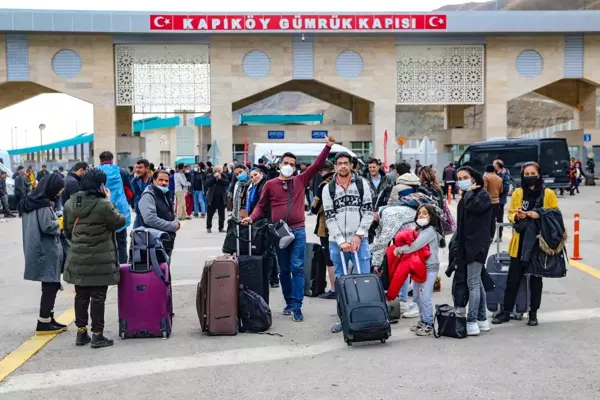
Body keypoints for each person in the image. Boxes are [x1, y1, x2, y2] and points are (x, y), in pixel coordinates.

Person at [242, 136, 335, 322]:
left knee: (297, 267)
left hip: (298, 230)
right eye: (286, 162)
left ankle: (298, 306)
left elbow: (316, 165)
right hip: (279, 232)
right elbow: (261, 206)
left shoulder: (300, 180)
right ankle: (289, 302)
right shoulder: (270, 184)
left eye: (292, 164)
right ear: (279, 164)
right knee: (283, 270)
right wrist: (251, 218)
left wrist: (327, 147)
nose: (289, 166)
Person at [63, 168, 127, 348]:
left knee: (81, 295)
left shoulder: (70, 203)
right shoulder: (103, 204)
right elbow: (119, 221)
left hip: (78, 258)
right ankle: (97, 335)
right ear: (101, 184)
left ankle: (81, 333)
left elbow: (68, 231)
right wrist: (108, 200)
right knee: (98, 297)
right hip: (100, 260)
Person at [492, 162, 559, 327]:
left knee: (536, 281)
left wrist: (538, 214)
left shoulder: (548, 193)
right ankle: (506, 312)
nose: (530, 177)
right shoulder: (518, 193)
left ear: (539, 174)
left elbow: (555, 214)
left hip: (538, 243)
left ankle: (533, 314)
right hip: (520, 243)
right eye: (527, 174)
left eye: (532, 173)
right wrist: (517, 216)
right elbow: (510, 214)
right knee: (513, 280)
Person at [323, 152, 374, 332]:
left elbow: (368, 212)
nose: (343, 166)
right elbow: (329, 217)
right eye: (339, 164)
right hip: (337, 243)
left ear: (351, 165)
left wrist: (358, 235)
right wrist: (340, 241)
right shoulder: (328, 189)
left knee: (364, 280)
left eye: (346, 163)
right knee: (341, 281)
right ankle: (343, 317)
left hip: (360, 241)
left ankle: (367, 318)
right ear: (335, 166)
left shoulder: (362, 184)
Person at [20, 173, 66, 335]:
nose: (60, 192)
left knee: (49, 283)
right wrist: (62, 221)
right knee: (50, 284)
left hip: (35, 247)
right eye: (59, 189)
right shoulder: (43, 204)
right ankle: (44, 321)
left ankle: (48, 318)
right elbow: (48, 226)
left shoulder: (29, 200)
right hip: (46, 249)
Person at [453, 166, 494, 336]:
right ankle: (482, 319)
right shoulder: (468, 196)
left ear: (474, 178)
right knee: (476, 280)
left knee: (473, 282)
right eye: (459, 178)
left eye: (465, 177)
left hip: (477, 244)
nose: (462, 180)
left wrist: (468, 193)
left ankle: (471, 321)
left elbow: (473, 208)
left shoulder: (481, 195)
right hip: (468, 244)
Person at [393, 204, 444, 336]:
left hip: (429, 268)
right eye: (419, 213)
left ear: (431, 216)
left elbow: (414, 246)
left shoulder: (430, 231)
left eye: (425, 213)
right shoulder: (420, 229)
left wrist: (399, 250)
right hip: (419, 267)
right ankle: (422, 320)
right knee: (417, 296)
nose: (421, 215)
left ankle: (429, 324)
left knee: (424, 297)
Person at [96, 151, 132, 264]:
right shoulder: (121, 171)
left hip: (100, 210)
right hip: (119, 210)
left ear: (100, 160)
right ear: (112, 159)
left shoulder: (95, 171)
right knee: (121, 243)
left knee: (103, 244)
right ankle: (122, 271)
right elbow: (130, 191)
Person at [247, 167, 279, 288]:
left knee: (269, 250)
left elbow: (263, 204)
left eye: (256, 175)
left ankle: (272, 278)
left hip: (266, 220)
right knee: (268, 250)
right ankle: (273, 277)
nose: (254, 178)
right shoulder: (255, 187)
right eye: (252, 176)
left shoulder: (265, 184)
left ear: (261, 174)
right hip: (260, 220)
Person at [138, 170, 181, 259]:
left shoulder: (165, 194)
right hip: (154, 243)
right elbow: (150, 218)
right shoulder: (148, 195)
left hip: (166, 241)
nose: (164, 183)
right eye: (160, 180)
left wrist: (176, 221)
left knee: (165, 270)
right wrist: (172, 226)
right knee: (157, 271)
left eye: (166, 181)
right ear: (154, 180)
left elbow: (171, 213)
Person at [311, 162, 336, 299]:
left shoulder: (324, 186)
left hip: (326, 226)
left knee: (329, 257)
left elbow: (315, 208)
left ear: (322, 172)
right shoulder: (344, 182)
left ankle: (334, 289)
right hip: (344, 225)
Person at [205, 166, 230, 233]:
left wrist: (220, 178)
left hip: (221, 197)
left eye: (220, 171)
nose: (219, 172)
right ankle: (209, 227)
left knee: (222, 214)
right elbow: (207, 184)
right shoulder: (210, 175)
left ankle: (221, 227)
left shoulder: (224, 175)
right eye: (218, 171)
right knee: (210, 214)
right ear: (215, 171)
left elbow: (227, 183)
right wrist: (214, 177)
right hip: (212, 197)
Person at [483, 164, 503, 241]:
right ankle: (492, 235)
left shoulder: (486, 177)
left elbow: (484, 190)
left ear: (486, 171)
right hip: (497, 201)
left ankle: (488, 236)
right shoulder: (499, 179)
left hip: (488, 202)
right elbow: (501, 190)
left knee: (488, 220)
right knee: (494, 220)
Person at [132, 159, 153, 228]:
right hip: (139, 215)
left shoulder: (154, 181)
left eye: (140, 167)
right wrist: (134, 206)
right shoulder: (135, 181)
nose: (137, 170)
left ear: (147, 168)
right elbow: (132, 195)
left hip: (152, 216)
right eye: (136, 167)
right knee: (135, 235)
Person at [494, 160, 511, 239]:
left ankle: (499, 235)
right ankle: (492, 235)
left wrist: (496, 193)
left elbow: (505, 188)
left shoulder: (505, 175)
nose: (493, 166)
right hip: (493, 200)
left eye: (494, 164)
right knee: (492, 218)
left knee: (499, 218)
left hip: (500, 200)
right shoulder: (495, 173)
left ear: (497, 166)